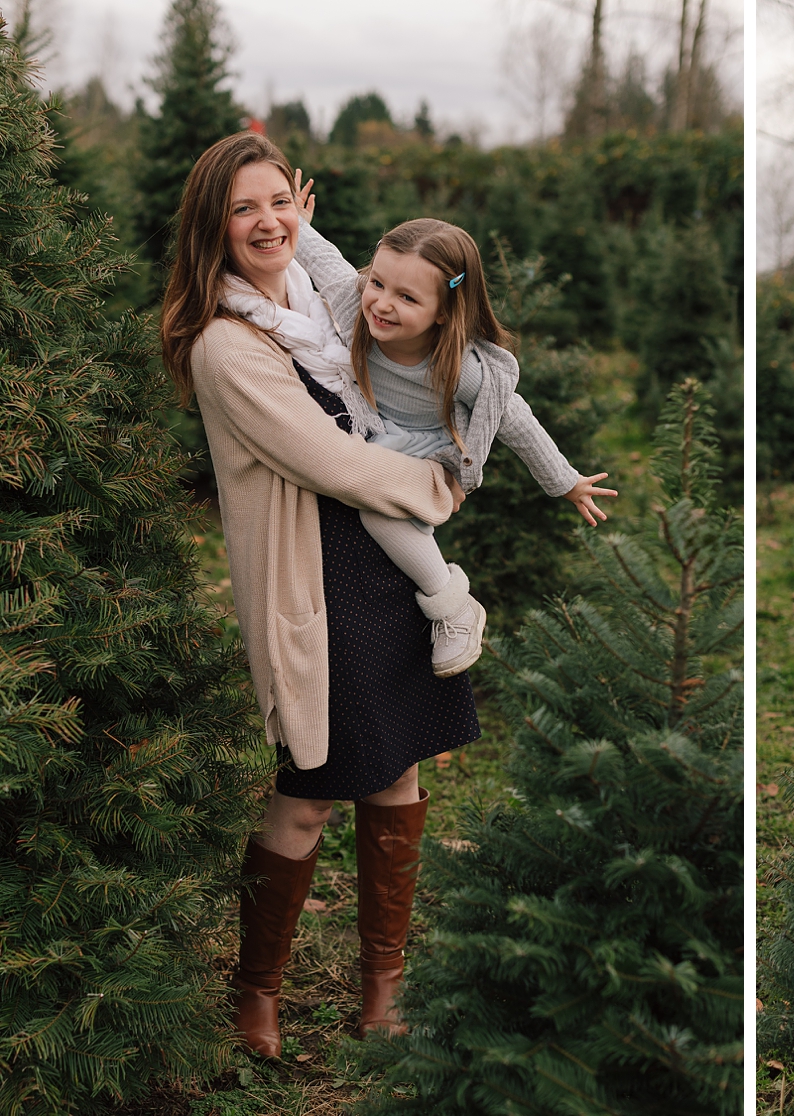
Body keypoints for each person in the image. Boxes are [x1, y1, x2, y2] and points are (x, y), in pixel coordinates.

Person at [157, 132, 552, 1057]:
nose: (267, 223)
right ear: (213, 227)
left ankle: (384, 985)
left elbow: (432, 360)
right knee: (307, 794)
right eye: (243, 209)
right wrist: (441, 486)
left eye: (278, 201)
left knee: (397, 772)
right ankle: (256, 992)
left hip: (389, 572)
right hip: (318, 582)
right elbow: (330, 461)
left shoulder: (327, 303)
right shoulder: (226, 342)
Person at [265, 173, 615, 677]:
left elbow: (514, 417)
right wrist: (295, 222)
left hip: (429, 452)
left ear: (446, 313)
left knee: (378, 514)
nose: (382, 303)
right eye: (378, 284)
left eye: (408, 298)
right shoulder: (357, 309)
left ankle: (453, 607)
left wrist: (565, 482)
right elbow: (326, 262)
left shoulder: (457, 368)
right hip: (372, 432)